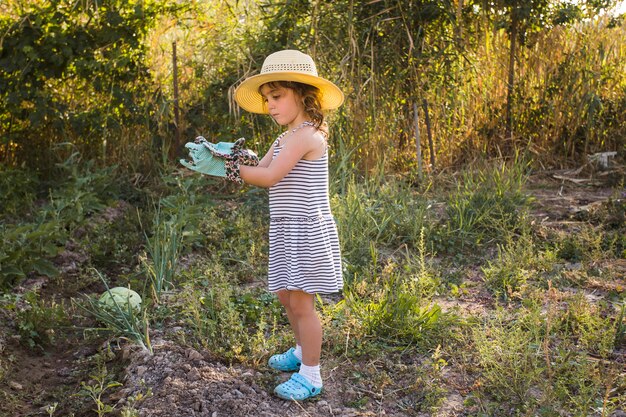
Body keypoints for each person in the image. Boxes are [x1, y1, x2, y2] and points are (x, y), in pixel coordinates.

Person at [181, 49, 344, 401]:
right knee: (287, 295)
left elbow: (269, 176)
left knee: (303, 304)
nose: (270, 105)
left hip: (305, 230)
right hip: (287, 226)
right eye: (267, 98)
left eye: (277, 96)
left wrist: (225, 169)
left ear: (303, 94)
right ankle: (301, 353)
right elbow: (260, 165)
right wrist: (229, 157)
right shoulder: (286, 136)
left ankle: (312, 374)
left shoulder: (307, 135)